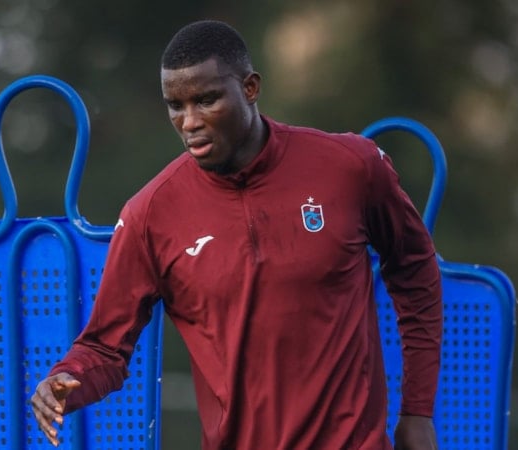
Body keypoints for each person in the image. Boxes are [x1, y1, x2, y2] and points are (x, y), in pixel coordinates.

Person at [30, 19, 443, 450]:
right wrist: (67, 377)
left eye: (206, 100)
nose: (189, 122)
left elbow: (415, 271)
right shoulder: (149, 215)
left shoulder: (351, 166)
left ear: (250, 88)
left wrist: (417, 411)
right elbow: (105, 348)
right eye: (175, 106)